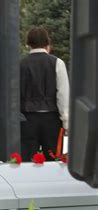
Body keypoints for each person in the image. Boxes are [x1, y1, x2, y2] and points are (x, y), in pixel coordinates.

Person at [20, 26, 69, 161]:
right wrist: (66, 122)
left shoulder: (21, 64)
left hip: (27, 119)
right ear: (47, 43)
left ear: (28, 43)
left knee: (26, 161)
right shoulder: (57, 63)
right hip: (51, 120)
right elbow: (63, 94)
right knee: (53, 159)